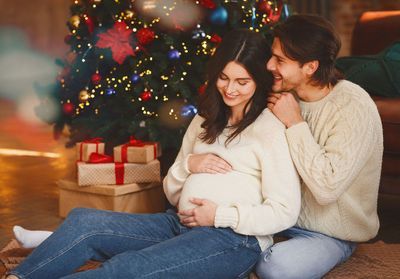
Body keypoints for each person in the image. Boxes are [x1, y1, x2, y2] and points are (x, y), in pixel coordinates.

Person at [5, 29, 301, 279]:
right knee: (85, 222)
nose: (230, 89)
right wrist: (188, 165)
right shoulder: (204, 120)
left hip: (232, 240)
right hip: (177, 223)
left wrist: (219, 214)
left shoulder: (269, 128)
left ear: (260, 80)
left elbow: (284, 212)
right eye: (224, 78)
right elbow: (172, 192)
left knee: (129, 268)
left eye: (242, 82)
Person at [255, 14, 383, 279]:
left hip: (328, 232)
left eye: (280, 60)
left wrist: (295, 122)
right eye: (272, 56)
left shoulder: (352, 105)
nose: (269, 65)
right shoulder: (282, 95)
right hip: (278, 217)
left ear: (310, 67)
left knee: (277, 268)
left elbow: (327, 188)